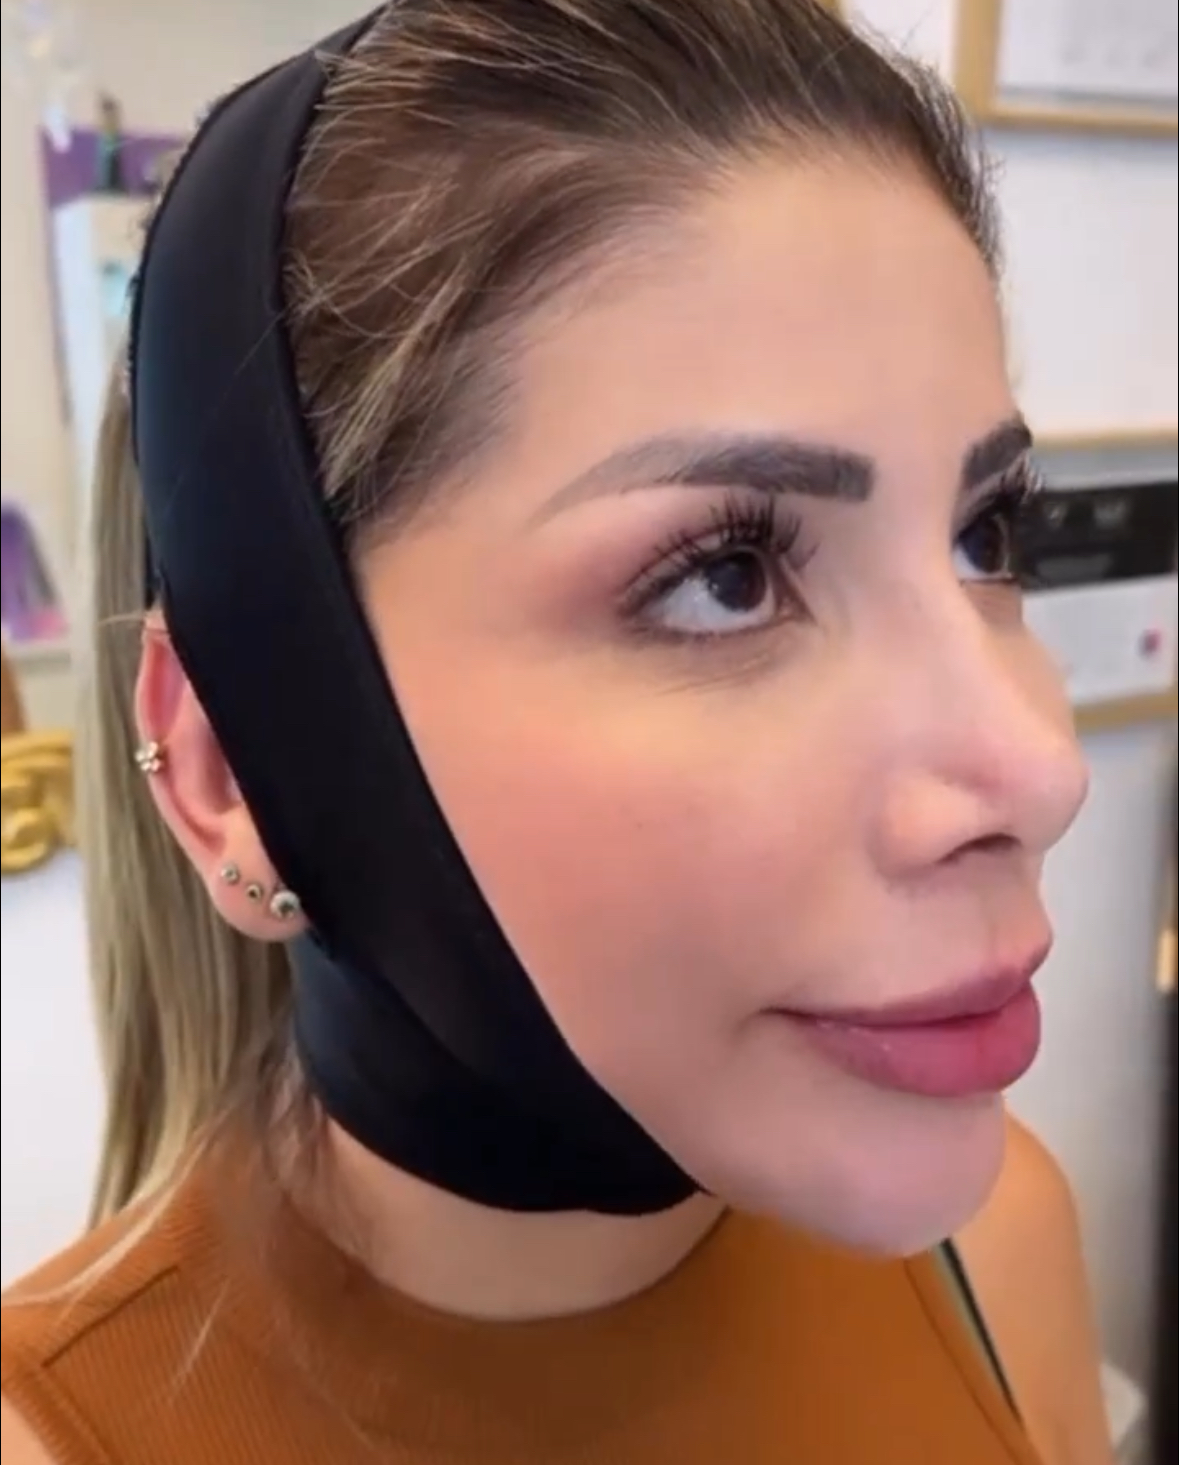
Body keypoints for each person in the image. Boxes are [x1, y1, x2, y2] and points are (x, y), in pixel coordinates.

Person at [1, 3, 1113, 1461]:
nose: (1039, 769)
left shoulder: (997, 1244)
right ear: (231, 775)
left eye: (986, 536)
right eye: (727, 577)